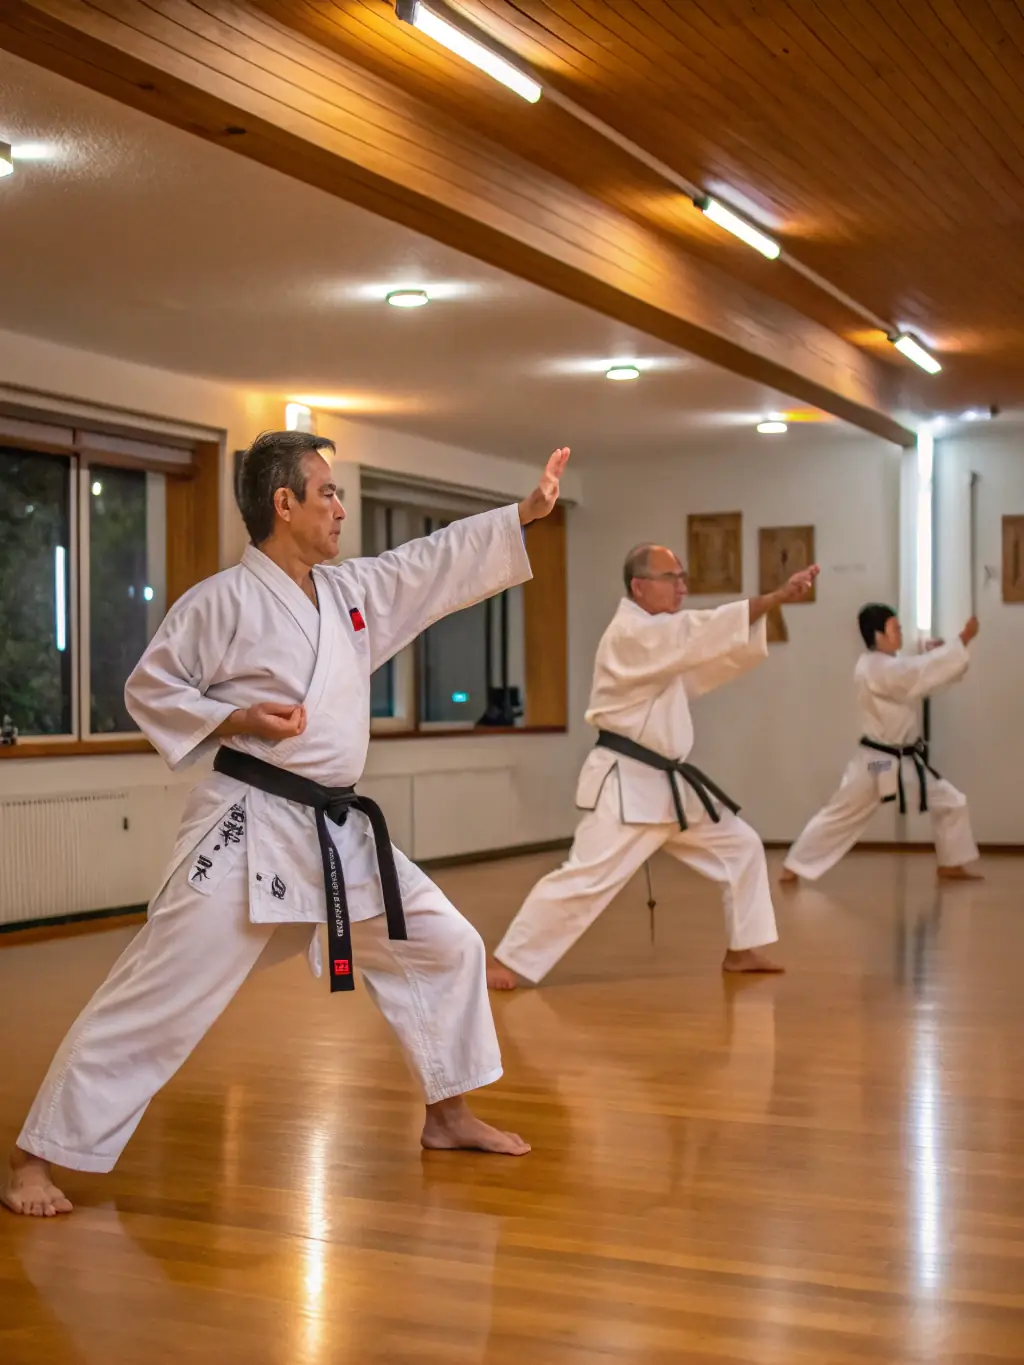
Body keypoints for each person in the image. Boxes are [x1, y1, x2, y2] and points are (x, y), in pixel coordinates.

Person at [3, 431, 571, 1217]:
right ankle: (38, 1154)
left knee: (444, 943)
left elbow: (433, 563)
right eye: (328, 493)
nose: (341, 507)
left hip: (338, 832)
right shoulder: (220, 602)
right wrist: (235, 714)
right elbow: (149, 687)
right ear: (284, 504)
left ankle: (447, 1111)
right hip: (249, 824)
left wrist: (523, 515)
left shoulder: (349, 593)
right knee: (159, 992)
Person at [486, 543, 819, 991]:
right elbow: (693, 634)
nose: (682, 586)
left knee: (741, 846)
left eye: (683, 576)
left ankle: (744, 948)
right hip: (627, 785)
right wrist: (773, 598)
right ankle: (508, 960)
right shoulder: (632, 634)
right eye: (672, 577)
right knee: (586, 877)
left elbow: (702, 663)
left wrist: (760, 613)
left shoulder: (657, 641)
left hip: (668, 787)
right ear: (639, 587)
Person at [780, 604, 981, 885]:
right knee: (842, 812)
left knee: (951, 801)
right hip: (880, 761)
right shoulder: (878, 667)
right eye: (894, 629)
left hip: (898, 760)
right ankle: (794, 864)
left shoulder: (882, 665)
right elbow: (916, 673)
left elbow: (917, 675)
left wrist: (940, 652)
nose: (899, 633)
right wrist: (961, 640)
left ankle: (951, 863)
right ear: (879, 634)